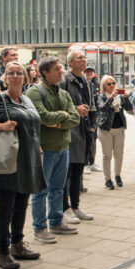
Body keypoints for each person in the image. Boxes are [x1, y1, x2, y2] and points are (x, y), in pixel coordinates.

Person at [0, 61, 44, 269]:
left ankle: (18, 245)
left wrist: (38, 150)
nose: (15, 76)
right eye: (11, 73)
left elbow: (33, 128)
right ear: (4, 78)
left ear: (25, 77)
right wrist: (1, 126)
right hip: (7, 160)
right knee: (6, 206)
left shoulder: (26, 100)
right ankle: (2, 251)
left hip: (26, 160)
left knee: (21, 203)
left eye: (19, 73)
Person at [26, 56, 80, 243]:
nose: (62, 71)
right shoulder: (35, 92)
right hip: (45, 149)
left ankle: (56, 222)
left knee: (58, 188)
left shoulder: (63, 94)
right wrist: (63, 116)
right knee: (41, 190)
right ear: (44, 73)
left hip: (63, 147)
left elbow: (75, 118)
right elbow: (43, 117)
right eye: (57, 69)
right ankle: (40, 228)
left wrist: (58, 122)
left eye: (61, 68)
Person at [59, 48, 95, 223]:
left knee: (78, 171)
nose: (84, 60)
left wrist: (92, 126)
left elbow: (90, 104)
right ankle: (64, 208)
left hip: (84, 130)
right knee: (67, 171)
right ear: (70, 62)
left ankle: (75, 206)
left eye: (84, 58)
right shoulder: (64, 80)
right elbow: (58, 105)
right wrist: (75, 109)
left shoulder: (85, 80)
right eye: (79, 58)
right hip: (70, 131)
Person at [95, 75, 132, 189]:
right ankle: (108, 179)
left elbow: (129, 109)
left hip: (119, 129)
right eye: (108, 84)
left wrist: (126, 98)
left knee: (119, 155)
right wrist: (111, 98)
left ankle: (117, 175)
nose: (111, 86)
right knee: (107, 156)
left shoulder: (119, 97)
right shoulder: (101, 96)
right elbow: (102, 109)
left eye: (113, 83)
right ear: (104, 86)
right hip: (106, 129)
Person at [83, 66, 100, 173]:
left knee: (93, 140)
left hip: (95, 116)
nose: (89, 74)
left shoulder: (97, 84)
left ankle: (92, 161)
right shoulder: (83, 84)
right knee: (86, 140)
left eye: (91, 72)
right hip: (85, 115)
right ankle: (85, 164)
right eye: (87, 72)